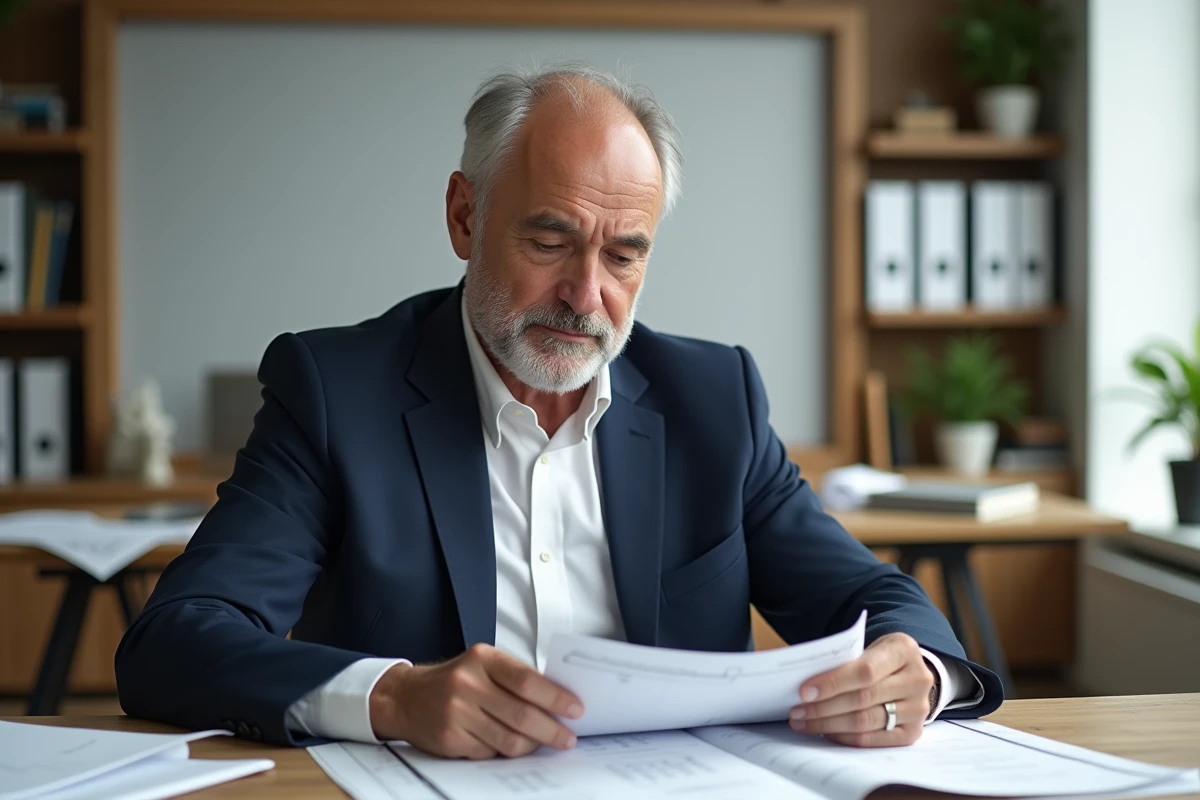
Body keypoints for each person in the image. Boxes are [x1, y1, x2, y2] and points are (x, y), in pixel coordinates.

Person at [115, 63, 1001, 758]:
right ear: (466, 217)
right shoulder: (336, 391)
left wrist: (917, 674)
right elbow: (177, 642)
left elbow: (869, 595)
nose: (586, 295)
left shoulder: (712, 400)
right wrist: (389, 697)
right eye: (550, 240)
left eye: (624, 255)